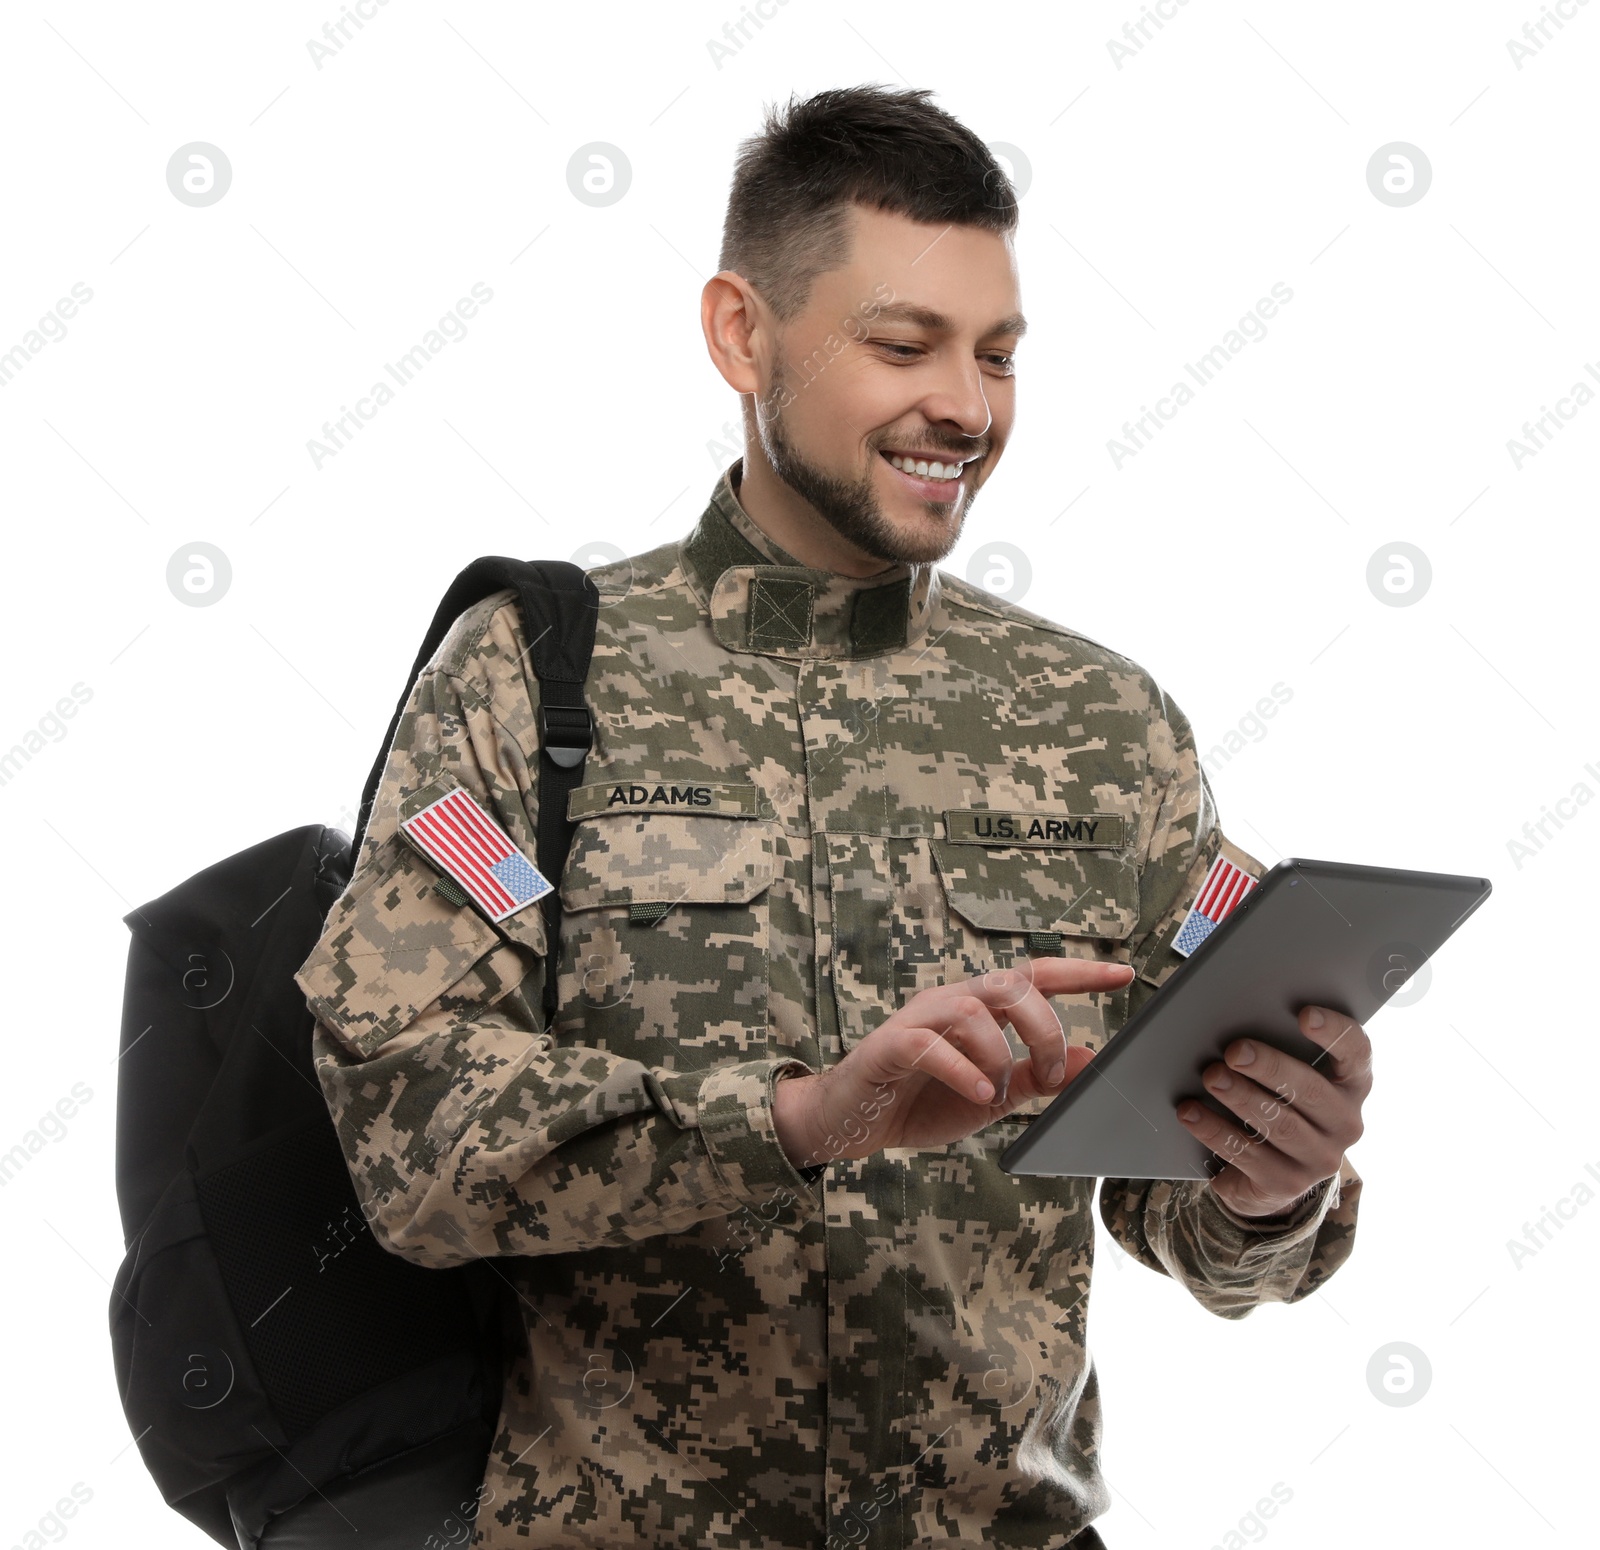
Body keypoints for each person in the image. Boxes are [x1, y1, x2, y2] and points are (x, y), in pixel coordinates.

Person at [296, 84, 1367, 1549]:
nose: (968, 407)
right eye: (903, 342)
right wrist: (801, 1116)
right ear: (744, 333)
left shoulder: (1106, 727)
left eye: (997, 354)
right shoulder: (529, 679)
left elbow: (1187, 1214)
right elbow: (407, 1134)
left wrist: (1274, 1183)